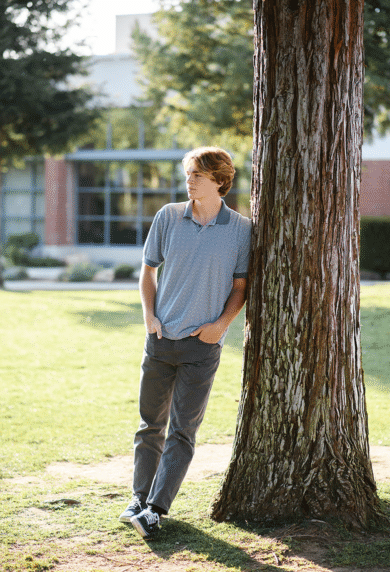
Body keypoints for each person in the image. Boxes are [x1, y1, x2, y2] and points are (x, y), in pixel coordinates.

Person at [119, 146, 251, 539]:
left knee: (182, 432)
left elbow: (240, 286)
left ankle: (156, 510)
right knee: (149, 426)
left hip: (202, 347)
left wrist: (221, 325)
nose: (189, 180)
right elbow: (148, 272)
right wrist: (149, 317)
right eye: (189, 173)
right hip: (160, 339)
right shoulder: (168, 217)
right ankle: (138, 499)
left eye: (197, 174)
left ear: (220, 181)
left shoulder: (242, 229)